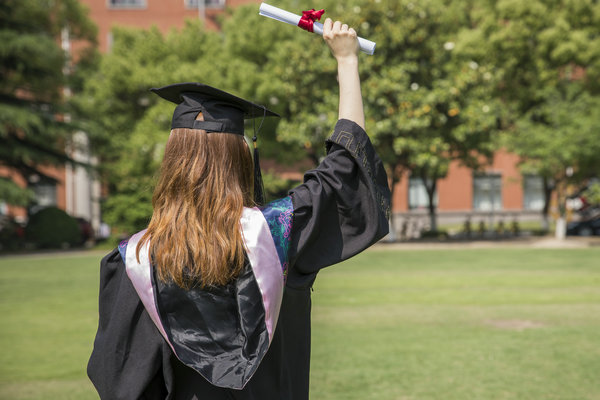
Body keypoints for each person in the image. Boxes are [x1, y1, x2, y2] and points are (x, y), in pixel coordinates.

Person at [88, 18, 390, 400]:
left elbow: (119, 374)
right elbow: (342, 172)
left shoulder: (135, 260)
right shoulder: (278, 234)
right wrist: (347, 62)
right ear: (239, 161)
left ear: (172, 163)